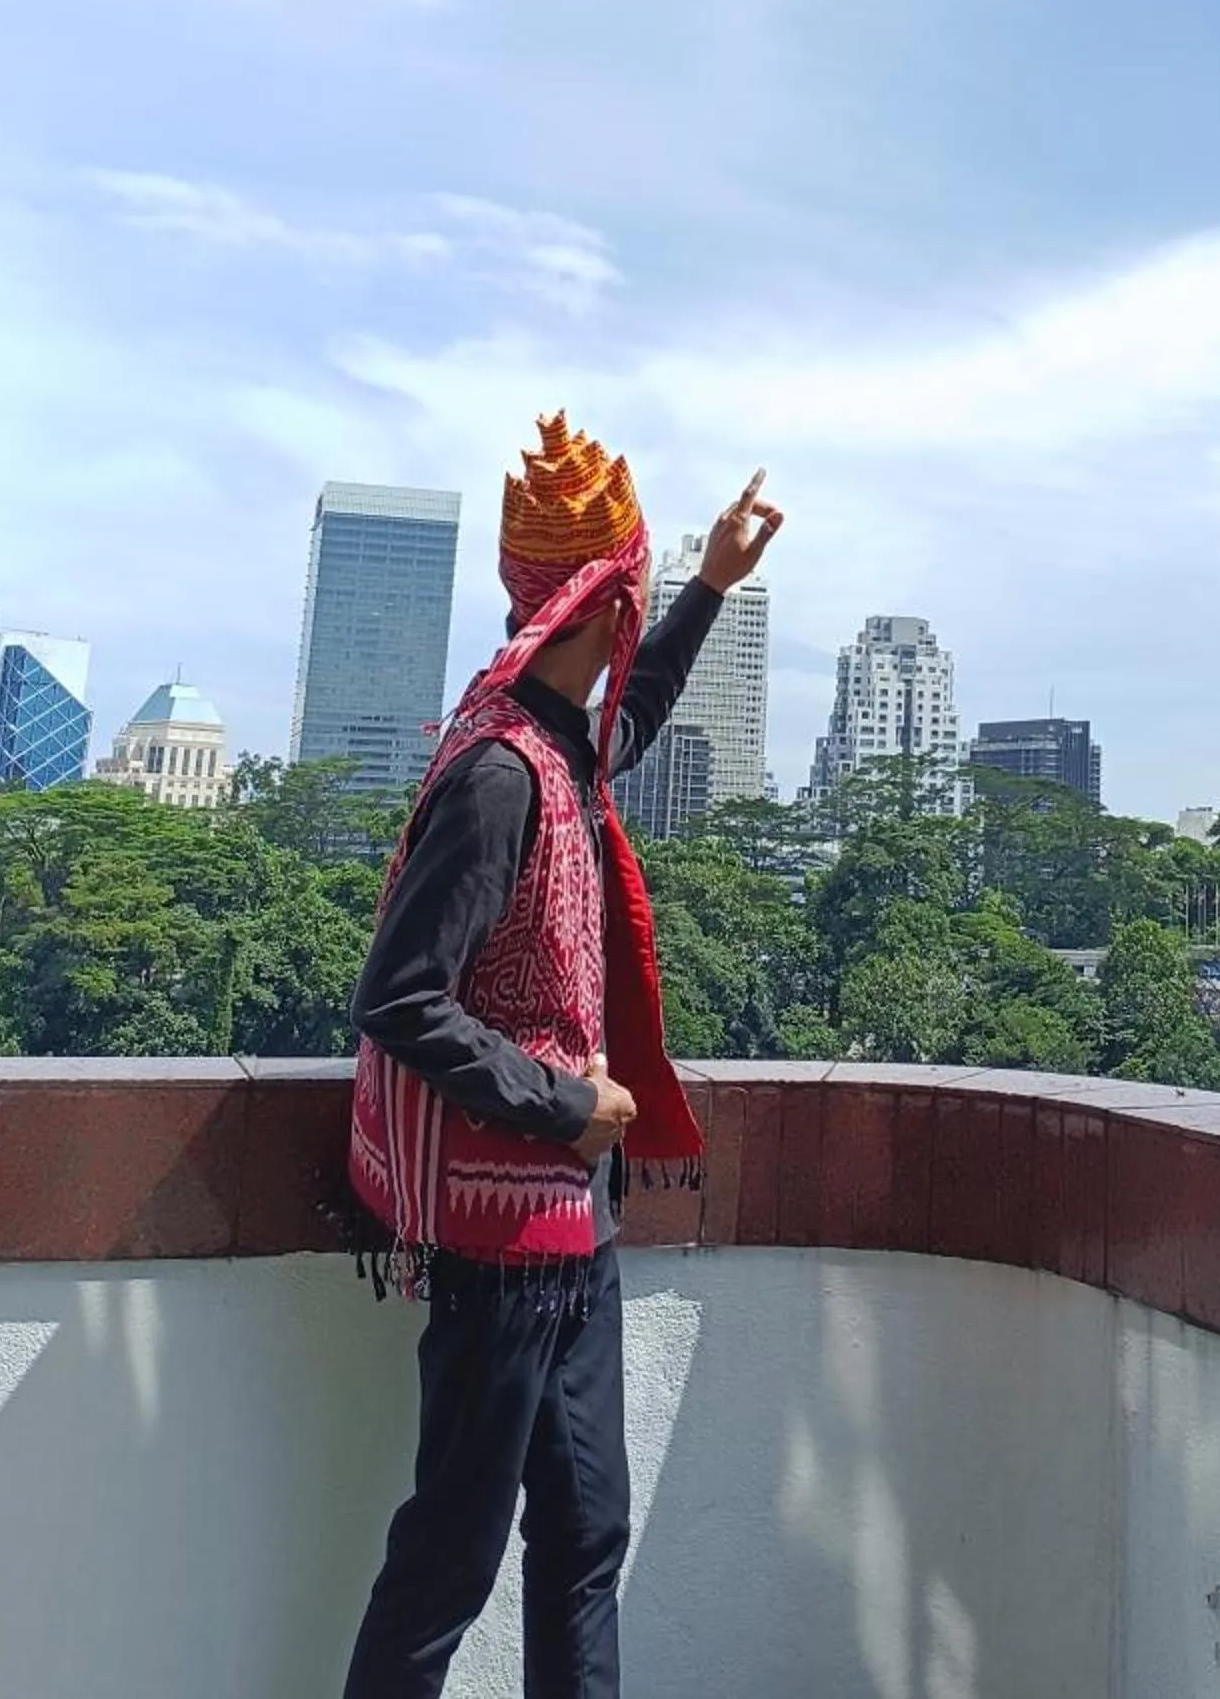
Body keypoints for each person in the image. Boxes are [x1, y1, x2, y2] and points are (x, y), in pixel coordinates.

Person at [341, 416, 783, 1699]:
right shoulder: (498, 774)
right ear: (605, 596)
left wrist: (711, 584)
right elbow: (403, 999)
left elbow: (630, 720)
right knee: (451, 1561)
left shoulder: (558, 740)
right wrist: (563, 1103)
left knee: (587, 1537)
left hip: (570, 1232)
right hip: (502, 1239)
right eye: (642, 588)